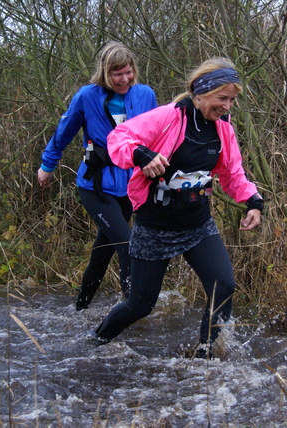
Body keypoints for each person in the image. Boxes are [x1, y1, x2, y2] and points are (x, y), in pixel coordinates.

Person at [91, 57, 263, 359]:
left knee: (223, 287)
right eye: (222, 98)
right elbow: (118, 138)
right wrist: (142, 154)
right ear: (200, 93)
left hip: (197, 225)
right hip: (155, 227)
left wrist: (252, 201)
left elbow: (233, 173)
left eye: (232, 99)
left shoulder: (223, 130)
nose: (228, 106)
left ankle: (205, 359)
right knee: (140, 306)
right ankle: (95, 340)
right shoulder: (167, 117)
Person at [37, 42, 157, 310]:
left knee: (103, 253)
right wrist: (48, 166)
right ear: (105, 72)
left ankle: (80, 309)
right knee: (127, 244)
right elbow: (64, 131)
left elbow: (156, 135)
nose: (124, 79)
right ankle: (133, 309)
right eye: (117, 74)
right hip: (96, 186)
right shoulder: (86, 96)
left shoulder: (145, 95)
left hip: (132, 187)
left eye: (128, 72)